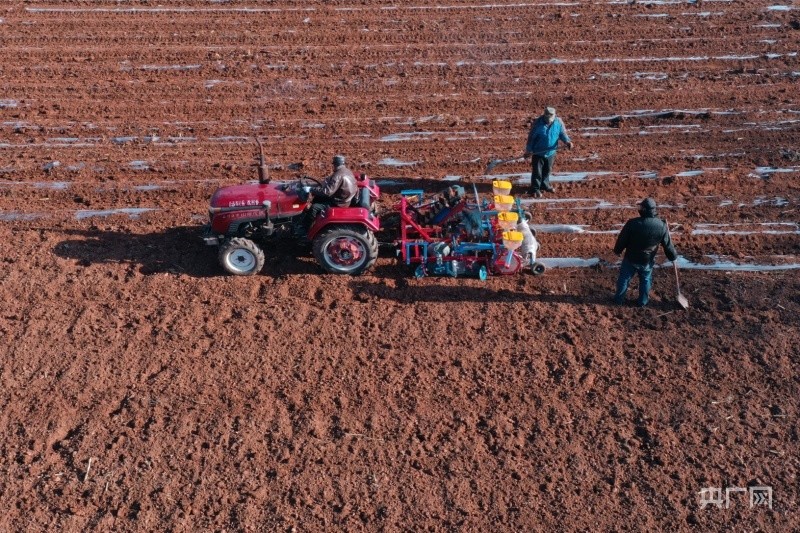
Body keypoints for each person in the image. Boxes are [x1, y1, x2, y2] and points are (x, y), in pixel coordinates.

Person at [612, 198, 678, 307]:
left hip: (631, 258)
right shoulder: (661, 226)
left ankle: (618, 300)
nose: (640, 208)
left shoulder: (633, 223)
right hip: (647, 260)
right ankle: (642, 302)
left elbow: (622, 239)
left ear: (645, 209)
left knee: (624, 278)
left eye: (641, 207)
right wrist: (673, 256)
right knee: (646, 280)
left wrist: (617, 250)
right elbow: (667, 244)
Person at [524, 106, 573, 198]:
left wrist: (567, 141)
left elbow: (562, 133)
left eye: (550, 118)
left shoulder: (558, 122)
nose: (549, 120)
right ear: (544, 116)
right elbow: (531, 138)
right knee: (537, 172)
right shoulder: (538, 123)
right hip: (538, 152)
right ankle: (535, 189)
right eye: (547, 118)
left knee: (547, 170)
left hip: (551, 152)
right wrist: (529, 150)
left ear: (554, 116)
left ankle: (545, 185)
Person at [305, 154, 358, 227]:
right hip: (346, 199)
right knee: (318, 198)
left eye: (333, 164)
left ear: (335, 164)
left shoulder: (337, 175)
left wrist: (311, 189)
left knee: (314, 207)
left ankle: (305, 228)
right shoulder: (347, 171)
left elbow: (327, 192)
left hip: (339, 203)